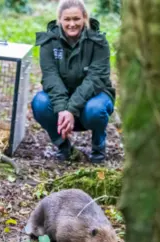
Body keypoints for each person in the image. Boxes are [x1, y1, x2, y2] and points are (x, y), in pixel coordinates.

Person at [31, 0, 115, 163]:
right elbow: (50, 77)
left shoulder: (99, 42)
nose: (72, 24)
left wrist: (71, 109)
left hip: (93, 99)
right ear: (59, 20)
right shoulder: (48, 42)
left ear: (85, 18)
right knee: (39, 103)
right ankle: (64, 147)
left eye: (76, 19)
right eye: (67, 19)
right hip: (63, 103)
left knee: (95, 109)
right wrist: (63, 108)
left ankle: (98, 148)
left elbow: (95, 79)